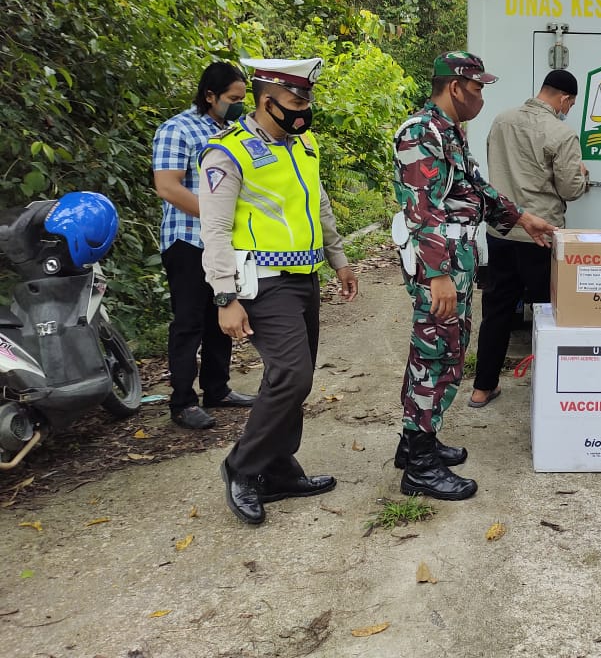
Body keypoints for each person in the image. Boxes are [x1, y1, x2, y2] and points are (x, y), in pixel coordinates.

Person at [199, 57, 359, 526]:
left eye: (306, 99)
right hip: (262, 281)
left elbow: (319, 203)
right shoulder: (227, 152)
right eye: (295, 100)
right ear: (264, 99)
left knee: (289, 378)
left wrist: (340, 260)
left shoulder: (303, 144)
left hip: (304, 278)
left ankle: (280, 469)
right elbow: (214, 229)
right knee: (293, 375)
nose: (303, 109)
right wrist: (224, 297)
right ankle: (242, 467)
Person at [392, 51, 554, 500]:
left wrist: (524, 219)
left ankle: (415, 443)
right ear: (455, 86)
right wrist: (437, 274)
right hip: (438, 262)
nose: (482, 96)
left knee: (445, 349)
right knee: (436, 354)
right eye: (478, 87)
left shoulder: (449, 133)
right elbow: (421, 210)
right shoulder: (420, 133)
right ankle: (420, 467)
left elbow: (477, 190)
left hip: (457, 255)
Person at [470, 68, 590, 407]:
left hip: (501, 231)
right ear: (565, 99)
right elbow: (569, 188)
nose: (568, 109)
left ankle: (482, 387)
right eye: (570, 104)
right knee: (548, 315)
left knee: (497, 311)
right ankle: (550, 390)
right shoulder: (562, 133)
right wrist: (581, 175)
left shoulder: (501, 121)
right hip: (541, 237)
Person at [151, 62, 256, 430]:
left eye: (243, 99)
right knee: (189, 321)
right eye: (232, 99)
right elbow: (167, 186)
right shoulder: (177, 130)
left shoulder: (233, 132)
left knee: (220, 315)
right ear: (209, 95)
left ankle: (218, 388)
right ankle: (182, 401)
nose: (239, 105)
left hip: (224, 243)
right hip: (187, 241)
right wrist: (217, 214)